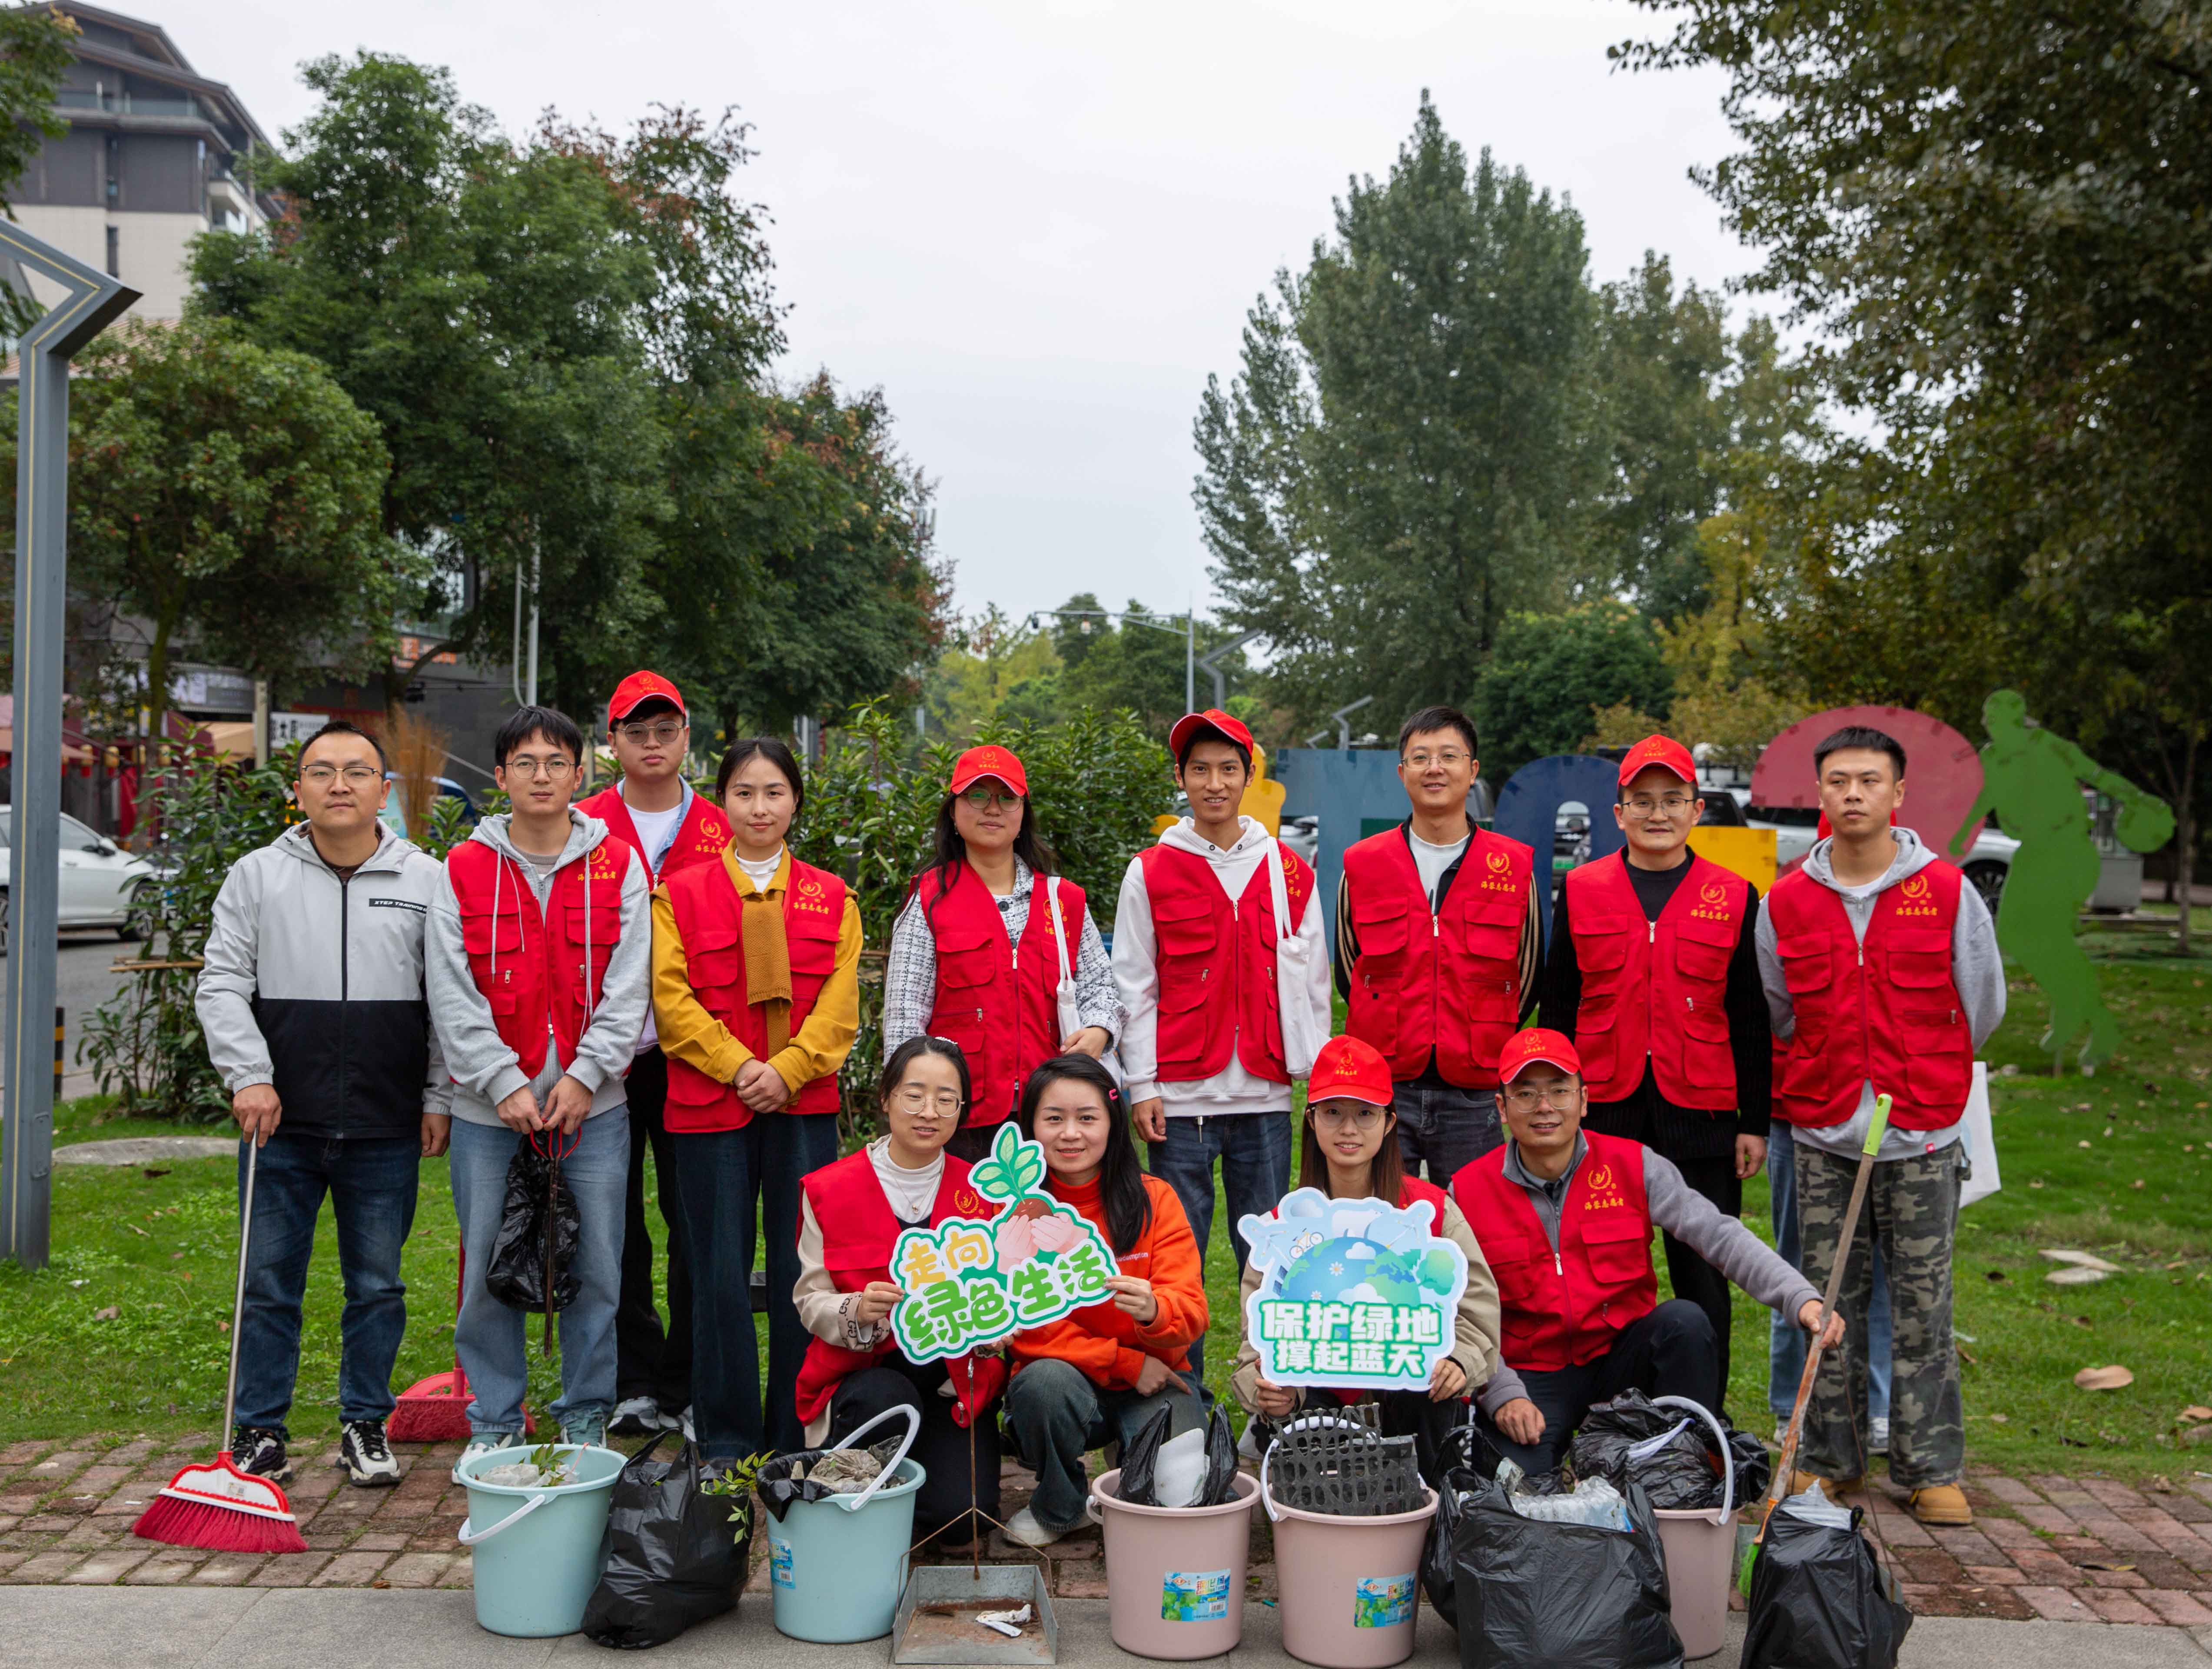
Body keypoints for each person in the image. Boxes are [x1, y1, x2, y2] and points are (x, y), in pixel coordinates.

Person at [1759, 725, 2004, 1526]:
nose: (1853, 794)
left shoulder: (1945, 889)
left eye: (1870, 781)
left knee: (1924, 1306)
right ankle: (1831, 1462)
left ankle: (1930, 1466)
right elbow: (1777, 1010)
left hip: (1923, 1132)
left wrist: (1925, 1067)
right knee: (1829, 1306)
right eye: (1838, 781)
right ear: (1819, 794)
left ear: (1899, 795)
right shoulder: (1789, 899)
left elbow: (1983, 1002)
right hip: (1826, 1133)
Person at [196, 720, 449, 1488]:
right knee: (270, 1284)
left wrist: (436, 1093)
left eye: (357, 771)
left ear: (384, 789)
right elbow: (222, 982)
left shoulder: (425, 880)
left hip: (386, 1123)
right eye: (322, 771)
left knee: (378, 1286)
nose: (340, 784)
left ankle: (364, 1424)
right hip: (280, 1124)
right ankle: (260, 1432)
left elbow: (447, 1000)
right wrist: (248, 1075)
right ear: (296, 789)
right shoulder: (256, 877)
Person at [1455, 1029, 1837, 1476]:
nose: (1544, 1107)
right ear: (1501, 1108)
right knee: (1513, 1495)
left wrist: (1800, 1298)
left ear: (1583, 1099)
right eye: (1525, 1093)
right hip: (1528, 1375)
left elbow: (1720, 1235)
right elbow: (1460, 1311)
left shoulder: (1634, 1165)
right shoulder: (1466, 1190)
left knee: (1685, 1324)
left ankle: (1678, 1464)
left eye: (1559, 1091)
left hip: (1622, 1362)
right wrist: (1502, 1392)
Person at [427, 705, 651, 1458]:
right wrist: (500, 1081)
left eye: (557, 762)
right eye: (525, 763)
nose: (542, 776)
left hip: (595, 1113)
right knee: (489, 1261)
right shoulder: (462, 868)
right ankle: (494, 1420)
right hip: (492, 1117)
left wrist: (587, 1076)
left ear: (580, 774)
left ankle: (586, 1410)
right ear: (500, 778)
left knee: (598, 1269)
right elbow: (449, 987)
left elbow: (632, 986)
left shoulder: (617, 864)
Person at [1539, 732, 1771, 1408]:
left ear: (1697, 810)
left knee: (1703, 1270)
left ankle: (1706, 1422)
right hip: (1606, 1107)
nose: (1657, 813)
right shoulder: (1580, 889)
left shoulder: (1731, 895)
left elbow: (1750, 1016)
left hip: (1699, 1111)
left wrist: (1750, 1123)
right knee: (1604, 1269)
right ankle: (1611, 1414)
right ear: (1618, 814)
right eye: (1642, 801)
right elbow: (1559, 1003)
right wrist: (1555, 1104)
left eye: (1673, 800)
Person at [651, 738, 861, 1460]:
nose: (760, 807)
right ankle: (727, 1436)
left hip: (801, 1108)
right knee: (715, 1273)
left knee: (807, 1270)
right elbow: (671, 1001)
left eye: (774, 792)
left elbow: (839, 1007)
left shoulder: (832, 896)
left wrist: (790, 1069)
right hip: (708, 1107)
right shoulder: (679, 893)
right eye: (744, 792)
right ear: (724, 803)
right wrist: (741, 1066)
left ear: (795, 800)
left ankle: (794, 1429)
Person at [1115, 708, 1331, 1391]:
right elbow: (1133, 982)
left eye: (1228, 770)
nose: (1214, 784)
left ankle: (1272, 1398)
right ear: (1181, 778)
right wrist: (1142, 1085)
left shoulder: (1288, 870)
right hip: (1177, 1101)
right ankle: (1182, 1415)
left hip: (1264, 1096)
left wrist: (1315, 1083)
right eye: (1200, 770)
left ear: (1248, 777)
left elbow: (1315, 979)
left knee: (1268, 1263)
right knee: (1172, 1263)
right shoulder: (1149, 871)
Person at [573, 671, 731, 1439]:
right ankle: (632, 1378)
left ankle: (690, 1379)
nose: (652, 742)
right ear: (612, 743)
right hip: (603, 1050)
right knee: (612, 1221)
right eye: (635, 730)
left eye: (665, 729)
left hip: (694, 1053)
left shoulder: (721, 827)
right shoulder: (584, 826)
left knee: (695, 1217)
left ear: (686, 736)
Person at [1234, 1034, 1501, 1482]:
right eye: (1333, 1113)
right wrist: (1269, 1389)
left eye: (1364, 1113)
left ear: (1389, 1122)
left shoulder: (1430, 1212)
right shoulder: (1283, 1226)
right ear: (1311, 1119)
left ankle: (1431, 1521)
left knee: (1427, 1389)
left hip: (1408, 1392)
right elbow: (1256, 1339)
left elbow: (1476, 1309)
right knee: (1315, 1460)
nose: (1348, 1129)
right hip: (1318, 1394)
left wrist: (1459, 1361)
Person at [792, 1038, 1005, 1544]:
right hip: (864, 1376)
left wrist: (997, 1333)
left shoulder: (983, 1191)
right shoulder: (827, 1189)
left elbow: (1006, 1296)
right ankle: (859, 1496)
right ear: (886, 1097)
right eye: (914, 1095)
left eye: (946, 1099)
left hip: (949, 1382)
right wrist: (857, 1308)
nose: (928, 1111)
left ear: (961, 1110)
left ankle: (897, 1496)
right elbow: (809, 1299)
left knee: (964, 1517)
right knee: (883, 1397)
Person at [1002, 1054, 1209, 1546]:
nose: (1070, 1133)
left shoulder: (1154, 1198)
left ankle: (1132, 1456)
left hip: (1158, 1379)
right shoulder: (1014, 1212)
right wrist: (1124, 1362)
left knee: (1181, 1495)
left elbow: (1192, 1311)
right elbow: (1026, 1329)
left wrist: (1156, 1313)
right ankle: (1058, 1504)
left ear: (1112, 1124)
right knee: (1041, 1388)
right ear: (1030, 1126)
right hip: (1080, 1379)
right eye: (1053, 1118)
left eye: (1087, 1118)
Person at [883, 744, 1121, 1160]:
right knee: (967, 1225)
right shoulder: (928, 900)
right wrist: (911, 1103)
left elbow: (1101, 987)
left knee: (1052, 1224)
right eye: (977, 796)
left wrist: (1100, 1031)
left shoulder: (1063, 899)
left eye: (1006, 798)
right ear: (954, 812)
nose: (992, 809)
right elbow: (905, 1017)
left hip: (1051, 1111)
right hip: (961, 1114)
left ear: (1023, 814)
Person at [1338, 706, 1541, 1182]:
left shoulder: (1512, 867)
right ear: (1401, 771)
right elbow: (1351, 970)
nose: (1434, 768)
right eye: (1420, 757)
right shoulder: (1362, 863)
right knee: (1381, 1222)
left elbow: (1527, 973)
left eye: (1448, 756)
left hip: (1474, 1089)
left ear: (1471, 771)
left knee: (1478, 1226)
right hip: (1385, 1084)